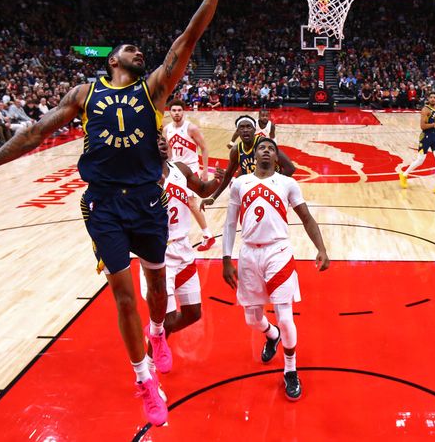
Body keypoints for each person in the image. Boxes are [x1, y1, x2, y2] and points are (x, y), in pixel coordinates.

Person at [0, 0, 236, 426]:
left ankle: (158, 332)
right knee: (124, 297)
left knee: (157, 292)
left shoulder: (156, 90)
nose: (139, 53)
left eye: (142, 51)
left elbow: (187, 39)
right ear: (111, 60)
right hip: (103, 206)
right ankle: (145, 381)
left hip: (148, 203)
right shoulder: (84, 95)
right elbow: (35, 132)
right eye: (131, 49)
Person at [221, 138, 329, 400]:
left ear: (277, 157)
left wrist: (322, 248)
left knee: (285, 316)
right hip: (248, 253)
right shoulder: (240, 183)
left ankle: (290, 370)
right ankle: (272, 335)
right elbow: (229, 222)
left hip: (278, 251)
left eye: (271, 148)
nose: (266, 150)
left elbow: (306, 217)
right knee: (252, 319)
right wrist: (226, 258)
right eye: (262, 148)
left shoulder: (287, 183)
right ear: (254, 155)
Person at [139, 136, 225, 351]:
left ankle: (154, 333)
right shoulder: (141, 176)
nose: (160, 142)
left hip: (183, 248)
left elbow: (203, 190)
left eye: (162, 139)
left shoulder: (180, 169)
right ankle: (149, 366)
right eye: (155, 139)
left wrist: (217, 181)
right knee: (165, 320)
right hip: (160, 252)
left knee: (193, 313)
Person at [202, 116, 295, 210]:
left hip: (272, 191)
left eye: (248, 127)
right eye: (241, 127)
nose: (245, 130)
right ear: (237, 132)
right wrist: (213, 197)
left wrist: (276, 186)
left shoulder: (265, 144)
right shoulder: (236, 150)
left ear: (254, 130)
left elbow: (290, 168)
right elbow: (228, 175)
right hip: (254, 191)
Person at [163, 99, 216, 251]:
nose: (177, 113)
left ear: (183, 111)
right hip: (175, 170)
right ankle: (174, 234)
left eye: (179, 110)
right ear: (170, 112)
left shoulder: (191, 128)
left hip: (191, 169)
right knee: (172, 201)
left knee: (191, 203)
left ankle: (208, 235)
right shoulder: (167, 129)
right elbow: (168, 150)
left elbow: (204, 148)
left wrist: (205, 171)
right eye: (174, 110)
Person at [399, 92, 435, 196]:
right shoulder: (425, 109)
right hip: (425, 138)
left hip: (434, 137)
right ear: (428, 99)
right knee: (420, 160)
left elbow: (433, 126)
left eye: (434, 97)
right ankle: (404, 175)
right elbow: (422, 126)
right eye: (431, 97)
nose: (433, 99)